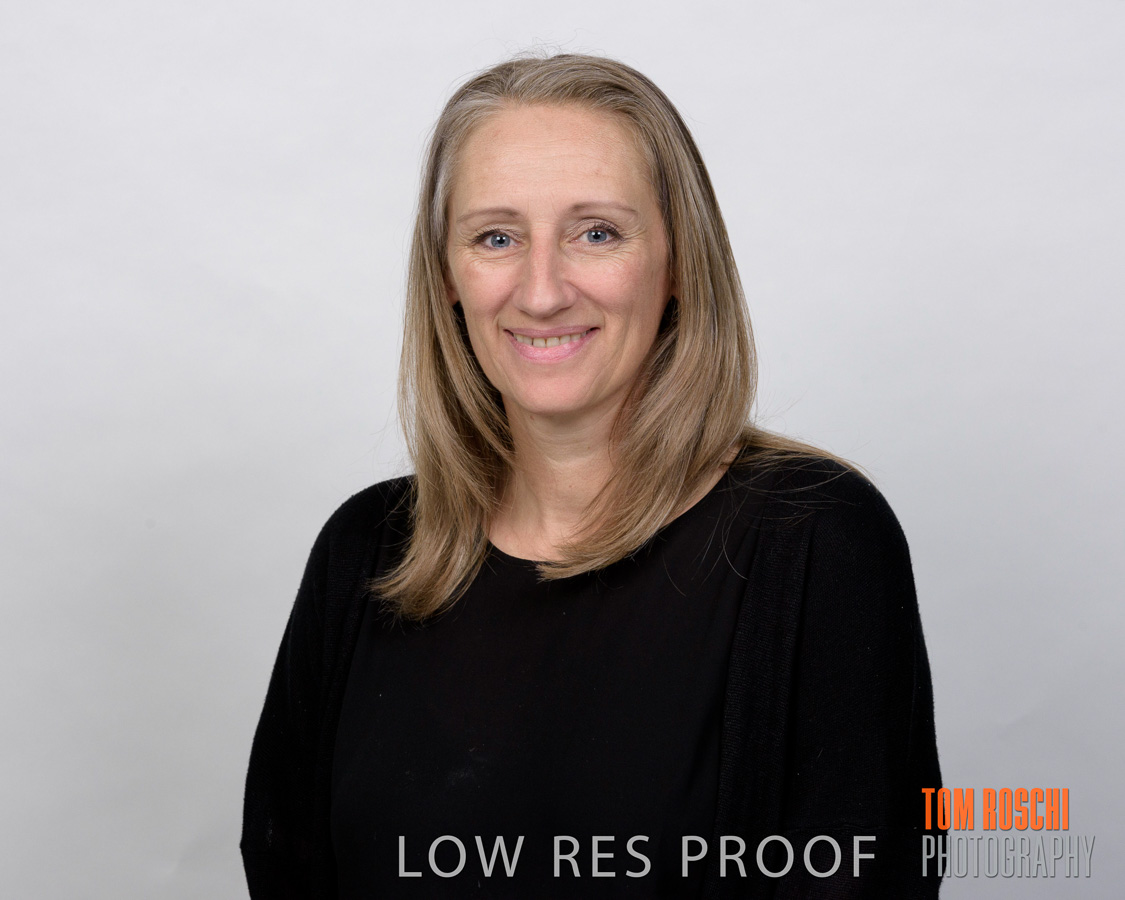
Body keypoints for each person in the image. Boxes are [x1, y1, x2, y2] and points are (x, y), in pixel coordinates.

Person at [241, 53, 943, 898]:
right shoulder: (365, 550)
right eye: (496, 237)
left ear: (679, 263)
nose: (541, 292)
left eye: (597, 233)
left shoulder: (816, 543)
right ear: (447, 277)